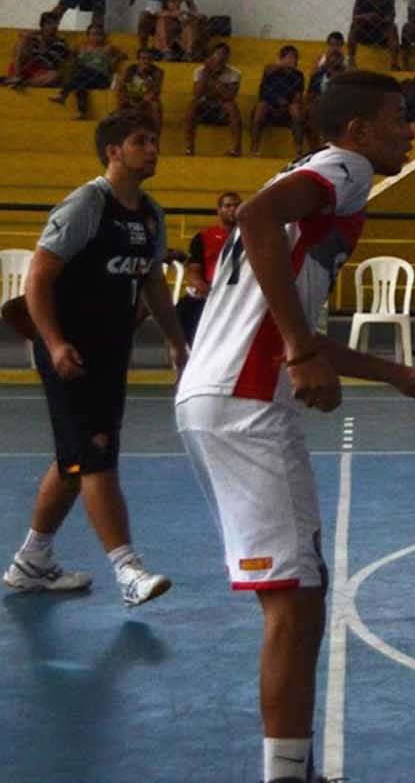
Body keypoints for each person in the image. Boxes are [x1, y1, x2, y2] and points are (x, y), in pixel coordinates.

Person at [174, 71, 415, 783]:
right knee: (297, 605)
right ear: (359, 129)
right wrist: (299, 351)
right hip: (245, 399)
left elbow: (286, 318)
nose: (412, 129)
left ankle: (291, 771)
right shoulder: (345, 168)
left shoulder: (312, 198)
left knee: (295, 597)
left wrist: (398, 376)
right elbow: (255, 218)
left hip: (218, 395)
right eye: (400, 117)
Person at [6, 112, 181, 606]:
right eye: (140, 141)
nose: (152, 149)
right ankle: (128, 569)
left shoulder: (150, 213)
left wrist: (176, 341)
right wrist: (56, 344)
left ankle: (31, 562)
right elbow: (37, 279)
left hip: (110, 350)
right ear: (113, 152)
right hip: (69, 351)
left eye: (155, 141)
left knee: (74, 460)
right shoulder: (88, 204)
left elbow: (152, 283)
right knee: (97, 455)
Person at [177, 189, 241, 343]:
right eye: (227, 206)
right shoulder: (204, 237)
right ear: (219, 211)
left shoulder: (253, 235)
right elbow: (194, 271)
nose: (232, 209)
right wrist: (205, 289)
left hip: (240, 292)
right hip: (211, 291)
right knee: (182, 310)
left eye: (236, 205)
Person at [52, 21, 122, 118]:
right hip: (84, 78)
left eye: (99, 34)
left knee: (81, 72)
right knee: (80, 83)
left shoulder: (107, 48)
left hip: (101, 78)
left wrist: (114, 62)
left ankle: (63, 94)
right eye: (93, 34)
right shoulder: (81, 48)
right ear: (88, 36)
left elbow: (121, 55)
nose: (96, 37)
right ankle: (82, 111)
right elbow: (70, 57)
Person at [186, 42, 244, 158]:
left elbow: (229, 96)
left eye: (224, 54)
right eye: (218, 54)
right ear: (212, 55)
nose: (221, 57)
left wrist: (213, 78)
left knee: (231, 107)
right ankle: (189, 147)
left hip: (222, 107)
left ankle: (236, 148)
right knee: (192, 106)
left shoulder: (235, 73)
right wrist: (206, 73)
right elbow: (197, 93)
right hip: (205, 104)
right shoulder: (200, 71)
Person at [252, 46, 310, 153]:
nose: (293, 60)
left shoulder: (298, 75)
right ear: (282, 58)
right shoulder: (270, 71)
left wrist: (287, 102)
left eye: (295, 57)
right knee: (260, 107)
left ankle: (298, 149)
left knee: (296, 109)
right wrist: (282, 65)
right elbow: (263, 93)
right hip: (270, 105)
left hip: (288, 108)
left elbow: (298, 97)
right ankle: (255, 148)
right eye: (290, 57)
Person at [3, 10, 68, 89]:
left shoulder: (60, 43)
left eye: (55, 23)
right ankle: (16, 77)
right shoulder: (33, 38)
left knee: (55, 76)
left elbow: (50, 62)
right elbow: (20, 53)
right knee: (23, 40)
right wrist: (28, 37)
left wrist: (42, 45)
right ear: (42, 25)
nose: (53, 26)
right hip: (26, 67)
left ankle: (22, 83)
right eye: (49, 23)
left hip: (43, 72)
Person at [348, 0, 397, 68]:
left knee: (392, 28)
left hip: (381, 32)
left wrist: (377, 18)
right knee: (354, 26)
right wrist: (367, 16)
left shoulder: (389, 0)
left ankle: (393, 62)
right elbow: (355, 17)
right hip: (364, 31)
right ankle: (351, 59)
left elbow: (390, 19)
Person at [115, 45, 165, 129]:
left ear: (152, 60)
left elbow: (155, 92)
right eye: (143, 58)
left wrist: (144, 76)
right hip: (131, 96)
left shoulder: (158, 72)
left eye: (149, 58)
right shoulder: (131, 69)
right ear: (138, 60)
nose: (146, 61)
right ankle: (121, 132)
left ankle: (156, 136)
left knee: (156, 105)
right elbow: (121, 87)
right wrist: (128, 97)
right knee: (121, 100)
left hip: (146, 99)